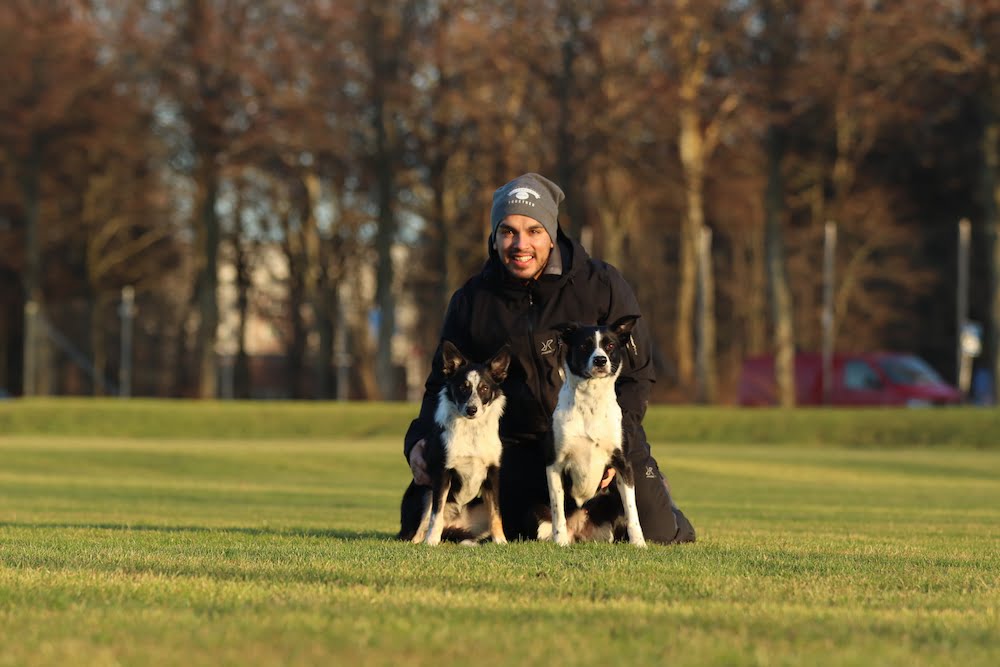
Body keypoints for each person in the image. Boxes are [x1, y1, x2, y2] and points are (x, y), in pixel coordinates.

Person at [403, 173, 695, 544]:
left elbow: (637, 377)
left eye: (533, 231)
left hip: (604, 440)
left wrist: (619, 440)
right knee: (503, 529)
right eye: (507, 231)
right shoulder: (473, 300)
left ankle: (662, 504)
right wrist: (416, 442)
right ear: (494, 237)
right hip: (525, 449)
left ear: (552, 234)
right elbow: (439, 387)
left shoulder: (601, 284)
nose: (520, 244)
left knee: (658, 535)